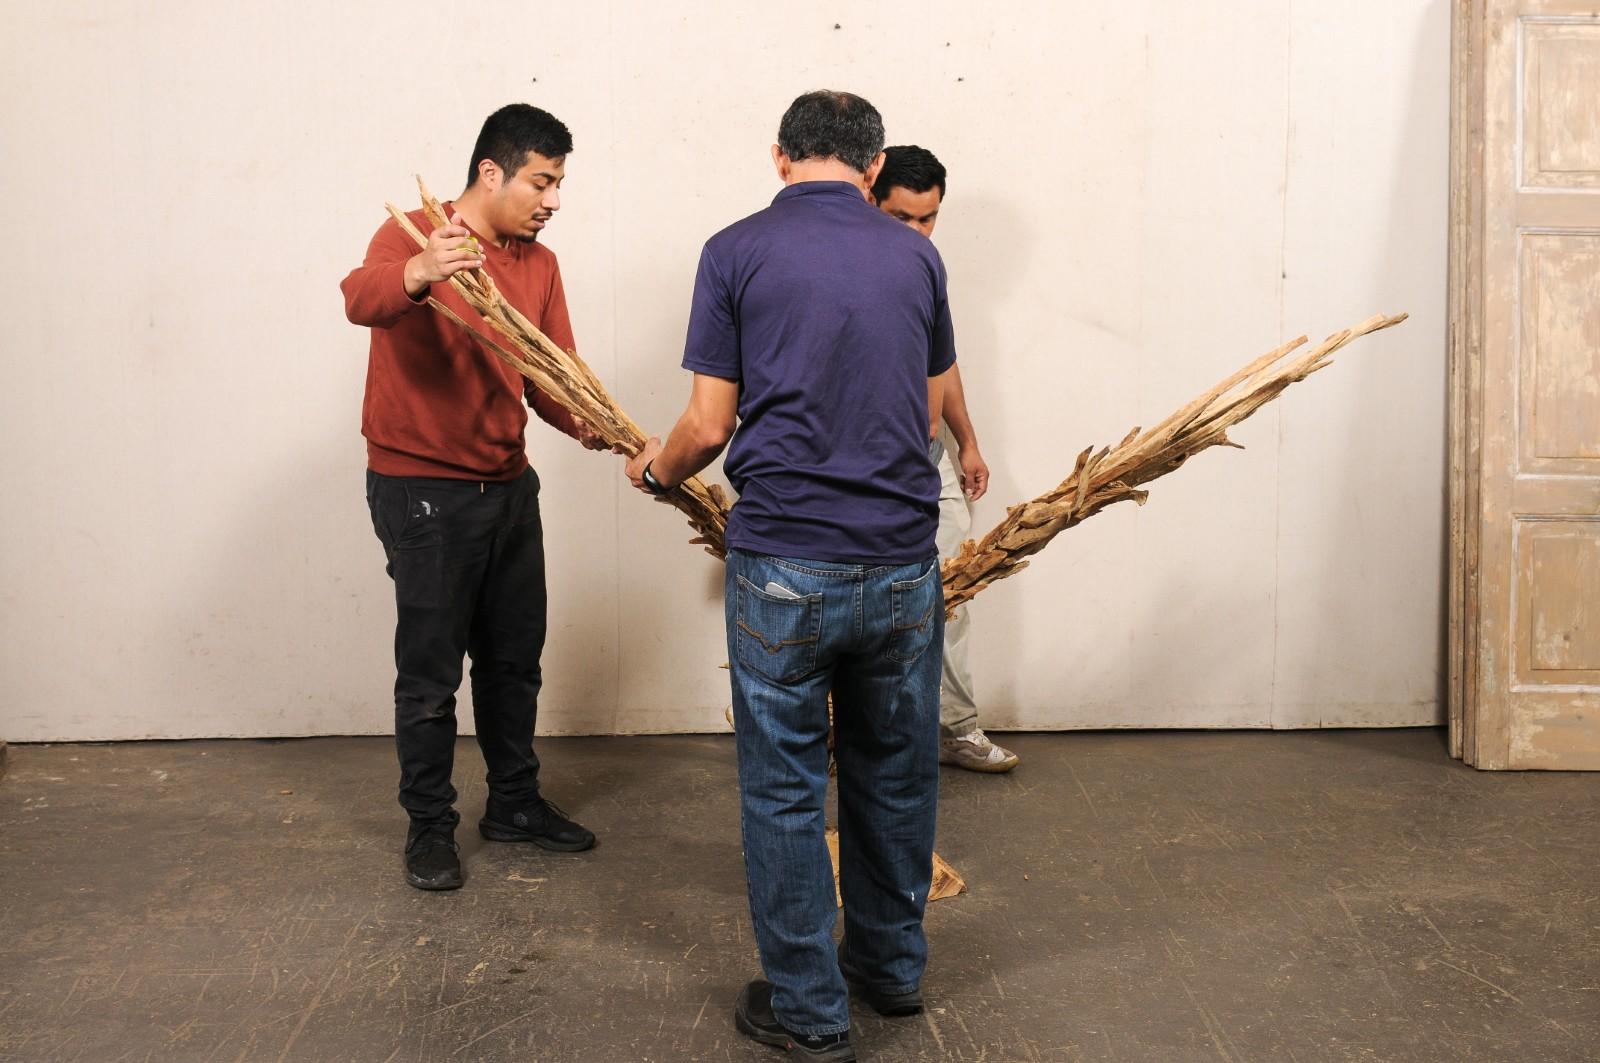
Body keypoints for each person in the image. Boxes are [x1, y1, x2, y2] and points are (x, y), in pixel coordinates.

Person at [626, 90, 952, 1062]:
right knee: (894, 775)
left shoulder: (734, 251)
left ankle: (810, 1013)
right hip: (901, 561)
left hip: (786, 567)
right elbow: (928, 413)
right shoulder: (919, 255)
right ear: (873, 161)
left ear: (778, 157)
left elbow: (706, 425)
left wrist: (654, 470)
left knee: (782, 790)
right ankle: (890, 972)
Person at [341, 104, 606, 892]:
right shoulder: (415, 235)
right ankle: (429, 826)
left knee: (512, 659)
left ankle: (514, 804)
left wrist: (597, 426)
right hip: (423, 491)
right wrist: (421, 272)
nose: (553, 198)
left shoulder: (538, 262)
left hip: (507, 488)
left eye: (557, 182)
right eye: (542, 180)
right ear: (491, 173)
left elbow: (549, 373)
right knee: (429, 676)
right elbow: (362, 297)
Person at [869, 146, 1019, 774]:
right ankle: (848, 732)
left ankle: (954, 727)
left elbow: (942, 360)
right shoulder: (847, 266)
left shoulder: (927, 266)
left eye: (927, 219)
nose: (916, 232)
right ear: (870, 196)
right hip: (869, 470)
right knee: (864, 603)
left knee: (953, 589)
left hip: (929, 459)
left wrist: (969, 441)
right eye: (901, 217)